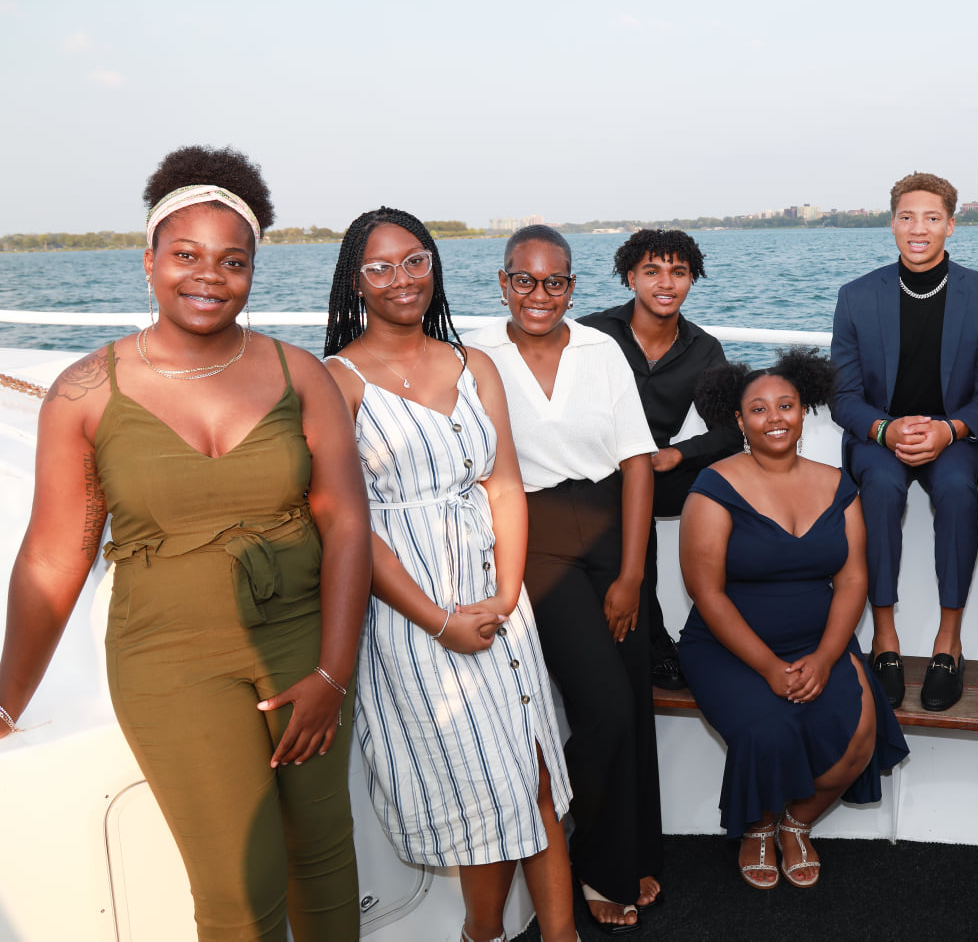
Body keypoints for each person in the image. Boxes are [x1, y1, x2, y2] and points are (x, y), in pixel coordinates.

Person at [0, 146, 371, 941]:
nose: (208, 276)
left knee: (324, 858)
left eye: (232, 261)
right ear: (149, 261)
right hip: (168, 658)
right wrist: (6, 699)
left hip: (303, 642)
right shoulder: (85, 392)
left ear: (252, 272)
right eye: (187, 256)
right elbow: (53, 558)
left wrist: (332, 674)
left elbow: (345, 527)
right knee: (241, 889)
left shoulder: (300, 376)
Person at [323, 209, 577, 942]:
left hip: (497, 598)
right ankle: (482, 935)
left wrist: (504, 597)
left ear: (433, 267)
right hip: (409, 611)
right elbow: (348, 524)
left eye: (414, 261)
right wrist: (439, 619)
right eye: (380, 267)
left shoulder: (474, 365)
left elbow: (503, 485)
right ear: (356, 281)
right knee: (482, 792)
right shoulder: (336, 380)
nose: (400, 279)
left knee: (534, 776)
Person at [464, 225, 663, 934]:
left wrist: (634, 573)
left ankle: (628, 852)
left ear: (572, 287)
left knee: (631, 703)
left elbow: (637, 461)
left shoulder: (599, 349)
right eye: (524, 279)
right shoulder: (474, 355)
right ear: (502, 282)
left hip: (613, 526)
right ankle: (573, 847)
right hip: (534, 533)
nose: (538, 295)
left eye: (554, 282)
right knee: (602, 704)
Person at [677, 349, 909, 889]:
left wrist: (828, 658)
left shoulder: (836, 484)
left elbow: (852, 580)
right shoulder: (714, 487)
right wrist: (767, 667)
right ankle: (756, 828)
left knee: (857, 728)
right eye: (758, 409)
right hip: (728, 646)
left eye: (786, 405)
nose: (774, 417)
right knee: (769, 726)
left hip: (818, 640)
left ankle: (794, 822)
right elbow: (705, 593)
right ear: (739, 421)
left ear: (805, 412)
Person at [830, 172, 978, 711]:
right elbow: (844, 397)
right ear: (892, 224)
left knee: (958, 493)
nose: (918, 228)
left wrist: (946, 430)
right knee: (880, 490)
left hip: (951, 432)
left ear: (951, 225)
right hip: (879, 431)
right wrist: (886, 430)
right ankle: (885, 638)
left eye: (932, 217)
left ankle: (947, 641)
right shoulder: (857, 296)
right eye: (907, 216)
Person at [579, 228, 740, 691]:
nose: (665, 283)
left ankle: (720, 632)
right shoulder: (590, 333)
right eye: (652, 271)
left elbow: (731, 431)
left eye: (679, 272)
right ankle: (650, 641)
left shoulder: (703, 348)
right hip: (589, 471)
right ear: (630, 278)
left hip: (654, 470)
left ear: (692, 280)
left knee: (735, 490)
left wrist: (678, 454)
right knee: (631, 496)